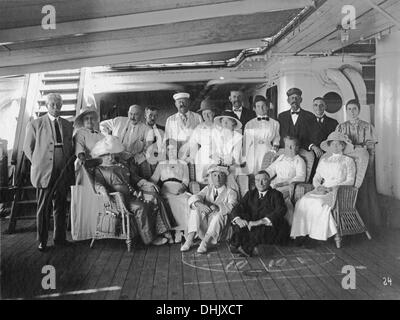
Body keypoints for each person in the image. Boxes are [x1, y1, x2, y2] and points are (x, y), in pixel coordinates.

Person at [91, 136, 175, 246]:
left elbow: (135, 178)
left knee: (155, 197)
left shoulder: (122, 165)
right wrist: (103, 191)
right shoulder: (100, 169)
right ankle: (150, 239)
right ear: (101, 155)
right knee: (141, 207)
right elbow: (97, 184)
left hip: (134, 193)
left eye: (112, 153)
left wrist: (147, 183)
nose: (111, 157)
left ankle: (165, 231)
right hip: (120, 200)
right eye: (107, 154)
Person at [23, 93, 74, 252]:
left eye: (58, 104)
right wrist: (38, 163)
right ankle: (42, 240)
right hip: (44, 170)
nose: (56, 107)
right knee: (43, 207)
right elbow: (27, 148)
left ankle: (59, 238)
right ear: (47, 106)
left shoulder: (67, 124)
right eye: (52, 104)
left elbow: (70, 146)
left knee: (60, 205)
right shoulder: (35, 124)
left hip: (62, 169)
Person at [290, 132, 356, 242]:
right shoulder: (324, 160)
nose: (335, 146)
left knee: (319, 203)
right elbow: (316, 178)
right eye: (332, 144)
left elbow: (350, 180)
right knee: (302, 201)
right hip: (323, 189)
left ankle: (317, 234)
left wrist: (335, 187)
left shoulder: (348, 161)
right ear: (329, 146)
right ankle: (302, 232)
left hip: (338, 191)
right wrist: (319, 187)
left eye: (338, 144)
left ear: (343, 146)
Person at [336, 99, 380, 231]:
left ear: (359, 110)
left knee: (364, 189)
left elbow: (370, 147)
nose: (352, 112)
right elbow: (338, 146)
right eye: (349, 109)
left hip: (364, 161)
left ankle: (367, 223)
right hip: (348, 162)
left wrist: (356, 146)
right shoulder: (341, 127)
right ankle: (348, 223)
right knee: (349, 189)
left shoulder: (367, 126)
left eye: (354, 109)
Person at [230, 171, 289, 257]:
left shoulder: (276, 194)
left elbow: (281, 210)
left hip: (267, 226)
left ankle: (245, 247)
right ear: (255, 182)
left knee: (258, 231)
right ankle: (245, 246)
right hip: (251, 223)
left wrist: (260, 222)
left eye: (264, 180)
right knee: (239, 225)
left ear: (269, 181)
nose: (260, 183)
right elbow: (238, 207)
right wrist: (238, 219)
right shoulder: (250, 194)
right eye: (257, 180)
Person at [181, 165, 238, 253]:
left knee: (220, 215)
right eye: (215, 175)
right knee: (196, 208)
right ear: (211, 177)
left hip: (218, 230)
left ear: (225, 177)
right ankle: (190, 238)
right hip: (204, 225)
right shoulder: (208, 188)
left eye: (220, 175)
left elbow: (232, 206)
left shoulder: (231, 192)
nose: (217, 178)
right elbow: (196, 196)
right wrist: (199, 204)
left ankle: (205, 243)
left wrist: (218, 207)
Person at [150, 142, 191, 244]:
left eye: (174, 149)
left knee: (184, 199)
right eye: (169, 149)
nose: (172, 152)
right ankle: (170, 231)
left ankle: (179, 231)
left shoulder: (183, 164)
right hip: (166, 188)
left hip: (179, 187)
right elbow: (154, 179)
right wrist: (147, 185)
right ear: (166, 151)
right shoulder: (162, 164)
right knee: (167, 200)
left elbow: (186, 180)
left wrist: (182, 188)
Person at [99, 104, 153, 174]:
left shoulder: (147, 129)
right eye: (131, 114)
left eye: (136, 114)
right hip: (114, 158)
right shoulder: (118, 121)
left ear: (141, 115)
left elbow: (148, 150)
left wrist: (136, 159)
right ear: (128, 113)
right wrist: (108, 137)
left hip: (132, 162)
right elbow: (102, 125)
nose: (132, 117)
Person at [266, 136, 306, 225]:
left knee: (275, 197)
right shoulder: (281, 157)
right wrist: (263, 175)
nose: (289, 148)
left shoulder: (299, 160)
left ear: (297, 147)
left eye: (292, 146)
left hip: (288, 185)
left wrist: (285, 183)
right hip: (275, 183)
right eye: (287, 146)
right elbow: (271, 169)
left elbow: (301, 176)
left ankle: (279, 223)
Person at [244, 95, 280, 175]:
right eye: (258, 106)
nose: (261, 109)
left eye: (263, 106)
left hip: (268, 151)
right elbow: (246, 143)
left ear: (267, 107)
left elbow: (276, 138)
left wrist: (273, 150)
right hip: (253, 153)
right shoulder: (249, 124)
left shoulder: (275, 123)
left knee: (267, 173)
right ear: (254, 108)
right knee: (254, 174)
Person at [186, 99, 218, 183]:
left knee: (216, 180)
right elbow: (192, 144)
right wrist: (192, 157)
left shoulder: (220, 126)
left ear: (213, 113)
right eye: (204, 114)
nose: (206, 116)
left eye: (209, 113)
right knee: (202, 180)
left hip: (217, 156)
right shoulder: (199, 128)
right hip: (202, 157)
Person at [212, 110, 243, 193]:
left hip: (232, 166)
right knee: (214, 177)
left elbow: (235, 157)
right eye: (223, 121)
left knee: (229, 180)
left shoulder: (238, 137)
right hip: (217, 165)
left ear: (233, 123)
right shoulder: (216, 136)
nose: (225, 124)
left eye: (227, 121)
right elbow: (213, 153)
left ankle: (231, 199)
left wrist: (224, 162)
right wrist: (217, 160)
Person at [164, 92, 202, 157]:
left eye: (184, 102)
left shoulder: (197, 117)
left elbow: (202, 137)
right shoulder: (170, 119)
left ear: (189, 102)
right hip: (177, 154)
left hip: (194, 154)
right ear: (175, 104)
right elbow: (167, 140)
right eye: (179, 102)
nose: (182, 104)